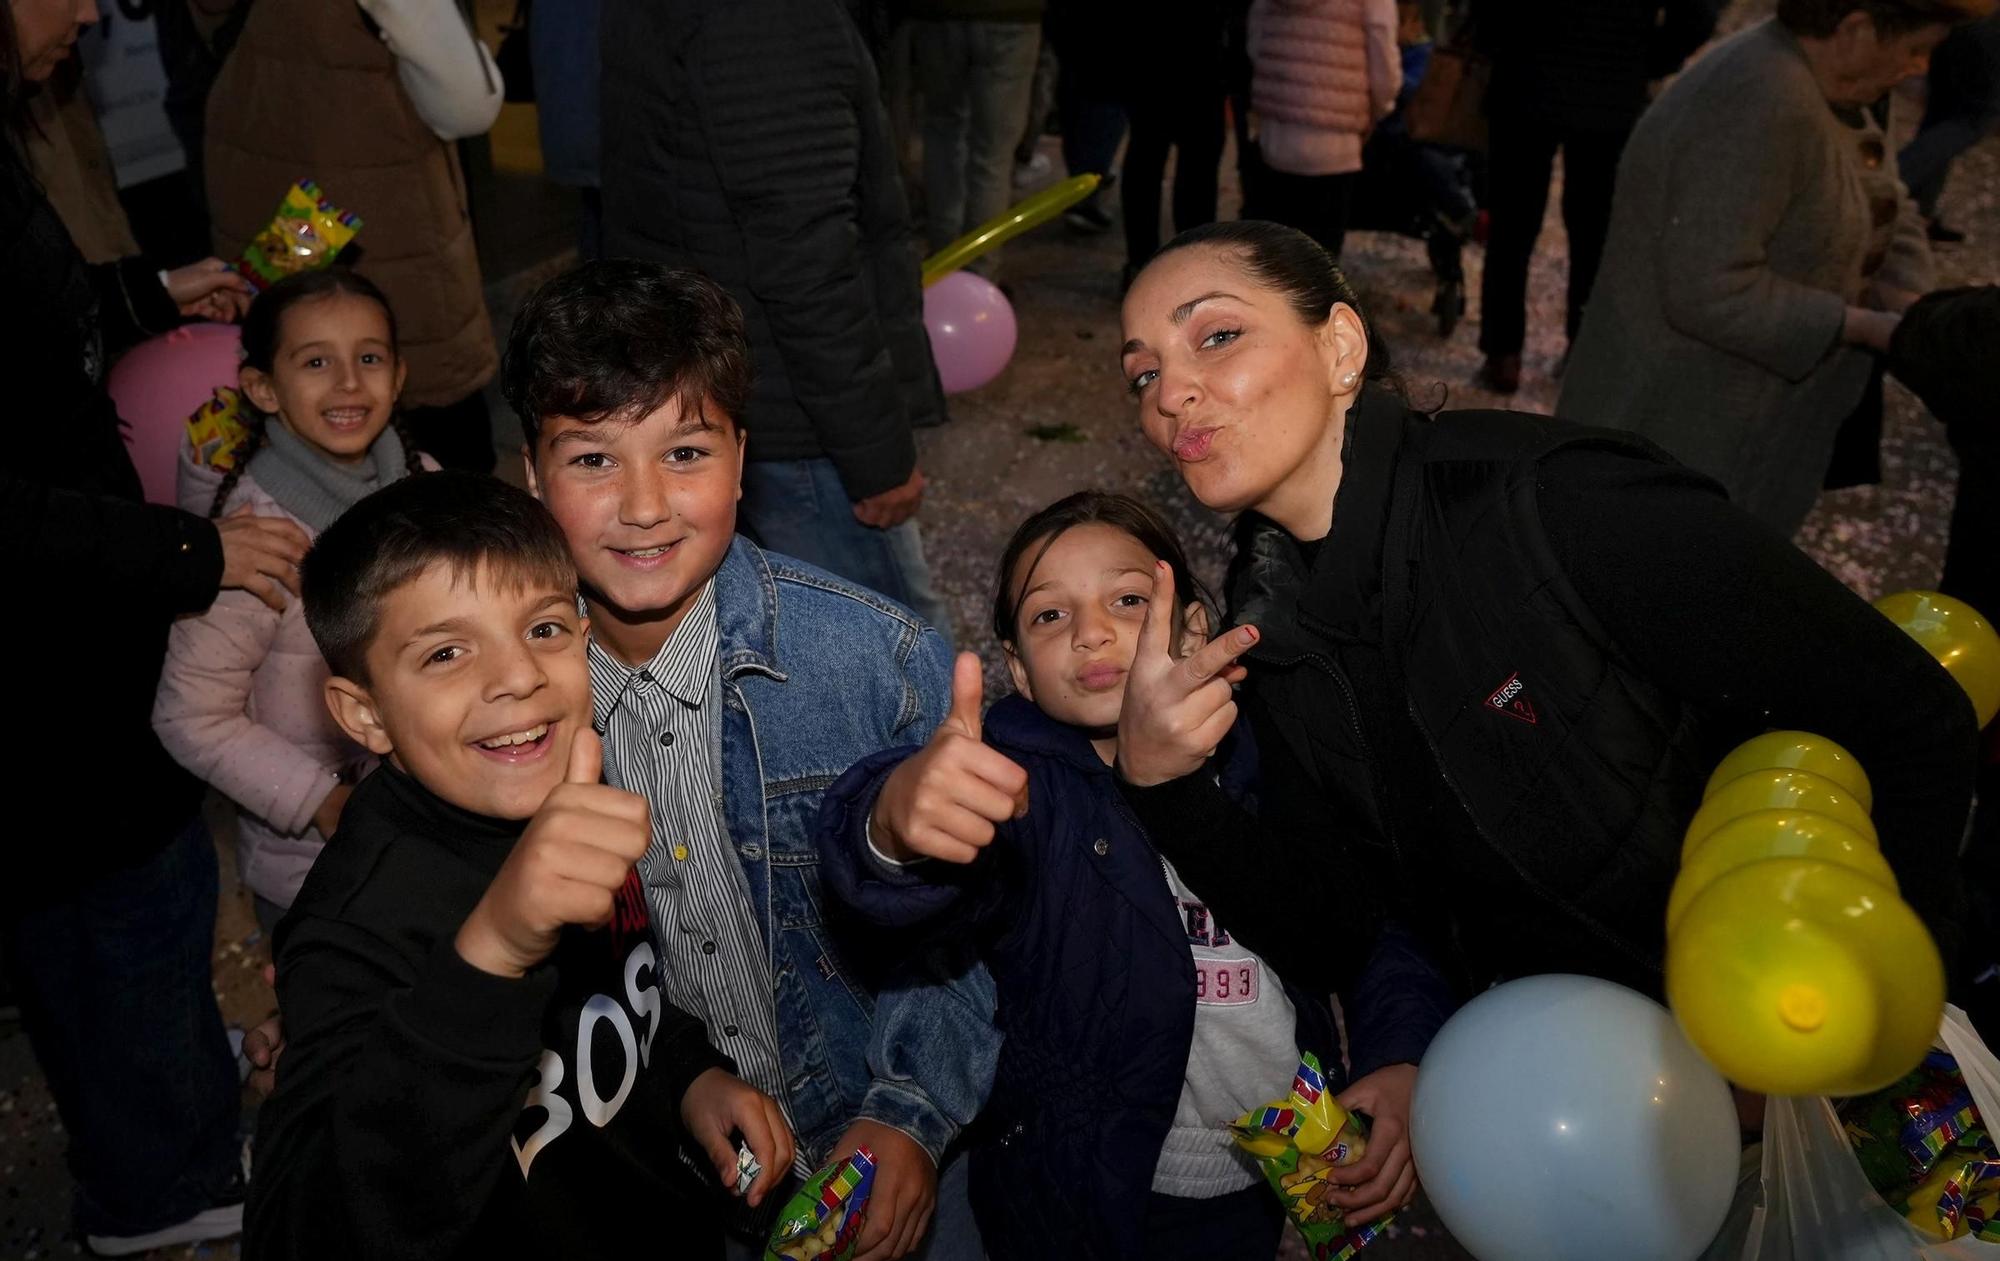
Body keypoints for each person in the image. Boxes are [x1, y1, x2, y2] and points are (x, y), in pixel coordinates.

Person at [1113, 219, 1977, 1004]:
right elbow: (1339, 933)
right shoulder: (1269, 622)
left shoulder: (1560, 502)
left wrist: (1846, 1006)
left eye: (1216, 336)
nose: (1169, 393)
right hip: (1565, 1108)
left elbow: (1911, 714)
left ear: (1341, 346)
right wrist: (1164, 781)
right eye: (1143, 372)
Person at [504, 261, 999, 1260]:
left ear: (741, 459)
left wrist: (905, 1115)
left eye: (684, 450)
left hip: (883, 1145)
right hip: (667, 1170)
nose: (642, 505)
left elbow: (963, 939)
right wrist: (679, 1080)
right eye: (593, 461)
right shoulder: (507, 712)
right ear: (528, 474)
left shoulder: (867, 660)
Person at [815, 491, 1455, 1260]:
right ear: (1017, 668)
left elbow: (1372, 917)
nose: (1092, 632)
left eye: (1128, 598)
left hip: (1261, 1173)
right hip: (1076, 1192)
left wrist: (1398, 1051)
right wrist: (890, 823)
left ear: (1192, 625)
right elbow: (920, 898)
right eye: (1050, 616)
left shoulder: (1274, 755)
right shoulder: (1021, 789)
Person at [244, 471, 794, 1259]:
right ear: (364, 713)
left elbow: (619, 990)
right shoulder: (351, 929)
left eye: (543, 629)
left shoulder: (559, 777)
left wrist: (688, 1076)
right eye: (445, 652)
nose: (518, 678)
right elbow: (312, 1227)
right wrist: (497, 948)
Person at [1, 1, 311, 1253]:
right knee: (119, 913)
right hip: (45, 684)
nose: (88, 5)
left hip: (72, 644)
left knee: (141, 914)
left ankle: (169, 1117)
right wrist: (192, 550)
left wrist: (137, 293)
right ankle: (165, 1190)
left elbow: (24, 350)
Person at [1559, 0, 1991, 534]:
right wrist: (1858, 325)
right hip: (1673, 436)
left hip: (1727, 440)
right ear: (1855, 29)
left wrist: (1913, 302)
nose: (1921, 68)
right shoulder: (1761, 98)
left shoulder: (1835, 84)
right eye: (1916, 49)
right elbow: (1710, 291)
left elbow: (1885, 195)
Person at [600, 0, 953, 637]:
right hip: (796, 418)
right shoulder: (770, 18)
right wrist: (875, 454)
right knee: (897, 669)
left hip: (720, 384)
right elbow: (805, 262)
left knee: (774, 654)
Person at [153, 270, 431, 938]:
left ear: (397, 376)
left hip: (432, 837)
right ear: (262, 388)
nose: (346, 382)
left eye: (368, 357)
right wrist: (319, 801)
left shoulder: (424, 486)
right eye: (315, 361)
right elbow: (188, 714)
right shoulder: (258, 545)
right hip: (318, 871)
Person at [205, 0, 506, 472]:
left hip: (264, 196)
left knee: (299, 417)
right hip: (381, 224)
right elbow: (465, 105)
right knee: (440, 468)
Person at [1475, 0, 1718, 394]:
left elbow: (1488, 13)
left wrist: (1500, 42)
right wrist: (1646, 60)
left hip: (1526, 79)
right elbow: (1696, 16)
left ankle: (1503, 354)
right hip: (1609, 91)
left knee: (1512, 230)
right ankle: (1583, 350)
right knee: (1595, 234)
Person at [1245, 0, 1401, 261]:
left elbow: (1255, 44)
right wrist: (1380, 107)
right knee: (1321, 262)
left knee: (1274, 262)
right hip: (1335, 146)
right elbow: (1382, 62)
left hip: (1275, 139)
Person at [906, 0, 1045, 278]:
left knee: (943, 133)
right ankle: (980, 272)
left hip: (940, 15)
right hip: (1011, 17)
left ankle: (944, 259)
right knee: (993, 154)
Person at [1899, 11, 2000, 240]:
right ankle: (1887, 186)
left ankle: (1917, 213)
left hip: (1952, 14)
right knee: (1973, 117)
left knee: (1943, 112)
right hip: (1984, 19)